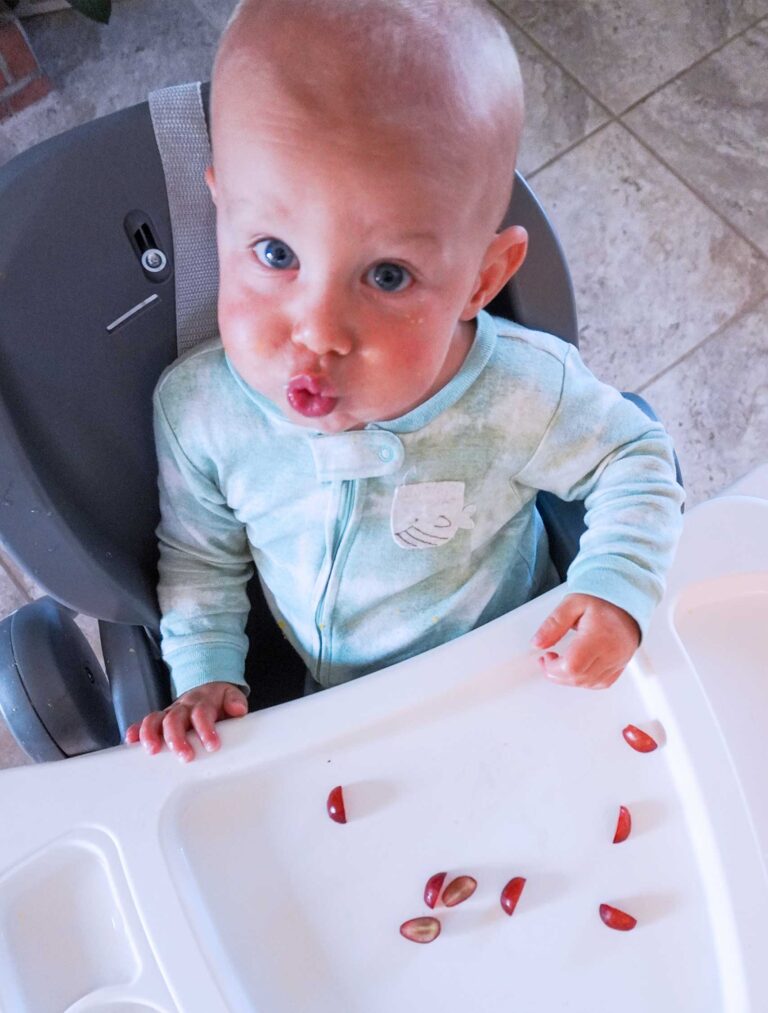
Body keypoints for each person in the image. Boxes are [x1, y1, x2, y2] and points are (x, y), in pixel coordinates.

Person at [125, 0, 684, 763]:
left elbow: (636, 457)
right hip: (344, 719)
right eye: (276, 253)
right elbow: (202, 558)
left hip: (521, 674)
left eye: (387, 275)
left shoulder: (516, 394)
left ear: (480, 280)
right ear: (220, 213)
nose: (318, 330)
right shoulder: (201, 412)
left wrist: (618, 587)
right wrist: (206, 674)